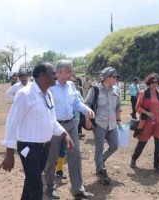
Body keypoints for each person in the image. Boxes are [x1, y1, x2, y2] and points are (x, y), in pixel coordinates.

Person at [0, 62, 74, 200]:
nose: (56, 76)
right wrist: (9, 154)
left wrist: (64, 134)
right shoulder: (25, 94)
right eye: (53, 73)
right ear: (42, 76)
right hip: (29, 148)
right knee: (36, 188)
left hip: (45, 147)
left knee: (30, 184)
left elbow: (52, 121)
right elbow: (12, 123)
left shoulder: (48, 94)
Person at [44, 60, 95, 199]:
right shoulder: (50, 87)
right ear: (59, 72)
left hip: (71, 124)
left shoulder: (71, 85)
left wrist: (87, 110)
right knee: (52, 157)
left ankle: (77, 188)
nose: (72, 74)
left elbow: (77, 103)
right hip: (55, 126)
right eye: (69, 71)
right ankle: (49, 187)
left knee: (76, 154)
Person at [84, 66, 122, 185]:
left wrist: (119, 120)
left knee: (114, 146)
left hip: (112, 124)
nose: (116, 78)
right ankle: (100, 171)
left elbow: (118, 107)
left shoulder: (116, 90)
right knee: (99, 148)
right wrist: (87, 120)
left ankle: (100, 159)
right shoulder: (95, 90)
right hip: (99, 124)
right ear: (106, 78)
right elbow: (86, 105)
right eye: (114, 76)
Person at [130, 73, 159, 174]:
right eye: (152, 82)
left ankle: (157, 165)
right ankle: (134, 158)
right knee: (142, 142)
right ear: (149, 83)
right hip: (147, 122)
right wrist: (147, 113)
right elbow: (137, 107)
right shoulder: (143, 93)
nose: (155, 84)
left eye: (156, 82)